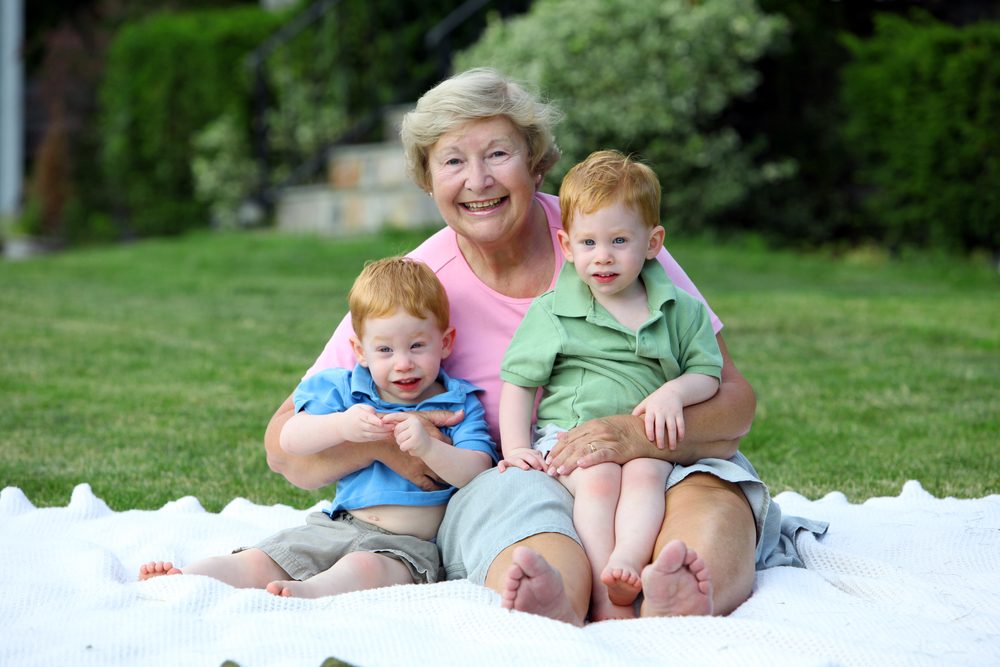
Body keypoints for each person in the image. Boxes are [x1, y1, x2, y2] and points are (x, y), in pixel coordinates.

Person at [263, 68, 827, 624]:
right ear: (428, 179)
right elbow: (284, 448)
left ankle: (678, 596)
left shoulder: (605, 235)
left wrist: (631, 436)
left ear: (536, 160)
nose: (478, 180)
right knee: (525, 515)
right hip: (518, 472)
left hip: (656, 453)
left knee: (711, 495)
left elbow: (734, 402)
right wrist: (394, 447)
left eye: (498, 155)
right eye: (453, 161)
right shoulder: (413, 288)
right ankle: (557, 600)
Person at [139, 256, 496, 598]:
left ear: (445, 342)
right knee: (269, 557)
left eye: (417, 346)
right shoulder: (344, 388)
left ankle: (313, 592)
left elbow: (478, 472)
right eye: (385, 350)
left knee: (363, 568)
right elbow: (290, 437)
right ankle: (187, 577)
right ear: (359, 350)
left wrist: (429, 448)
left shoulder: (457, 403)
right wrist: (341, 426)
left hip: (405, 546)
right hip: (338, 524)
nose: (403, 363)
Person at [498, 150, 722, 620]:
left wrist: (673, 392)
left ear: (652, 242)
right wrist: (516, 446)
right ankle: (603, 585)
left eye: (619, 240)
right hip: (572, 433)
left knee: (645, 479)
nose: (603, 256)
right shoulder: (553, 310)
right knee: (599, 482)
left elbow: (707, 373)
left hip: (646, 438)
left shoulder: (682, 309)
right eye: (589, 242)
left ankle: (628, 565)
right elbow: (519, 383)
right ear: (567, 244)